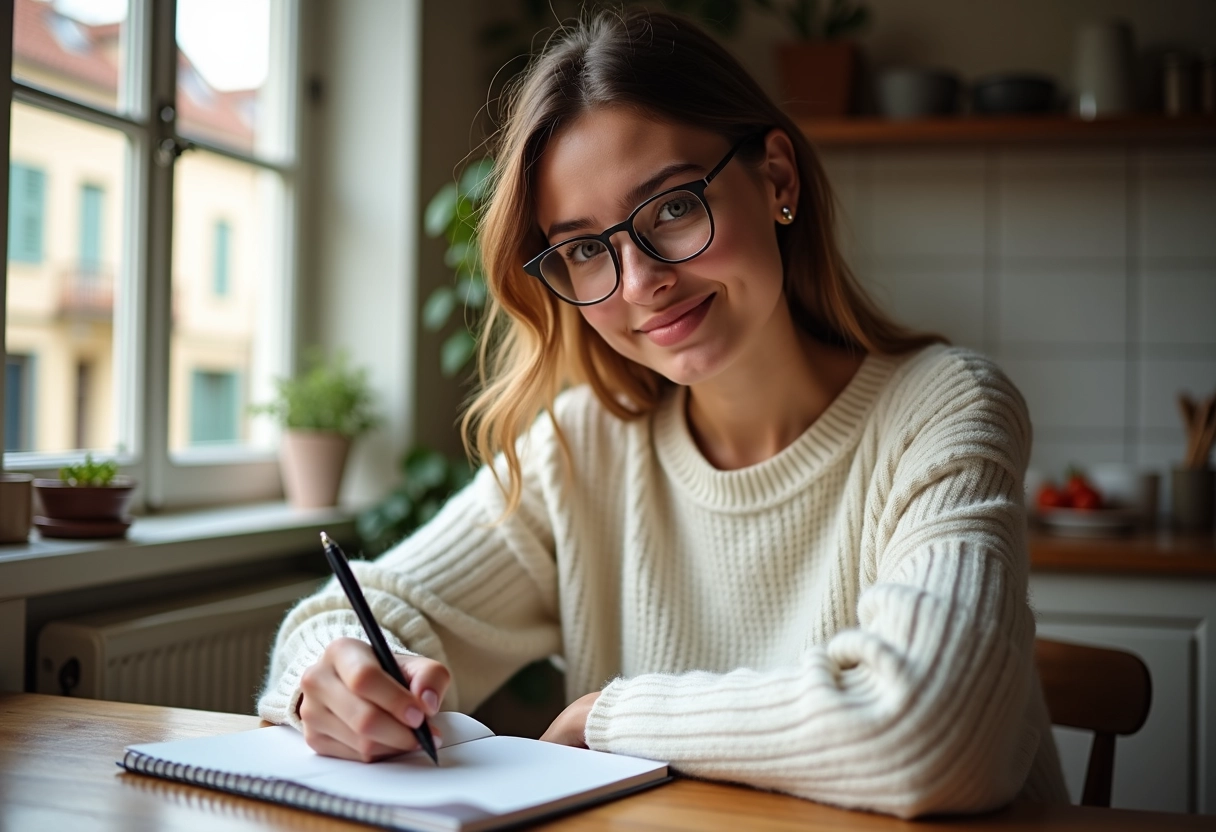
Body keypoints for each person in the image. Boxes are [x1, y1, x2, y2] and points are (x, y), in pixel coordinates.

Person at [258, 8, 1069, 819]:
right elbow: (347, 612)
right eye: (583, 249)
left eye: (674, 207)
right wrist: (334, 681)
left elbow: (930, 733)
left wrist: (608, 717)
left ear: (778, 180)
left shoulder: (942, 406)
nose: (640, 281)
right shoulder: (583, 449)